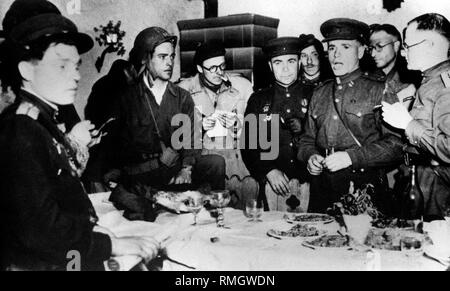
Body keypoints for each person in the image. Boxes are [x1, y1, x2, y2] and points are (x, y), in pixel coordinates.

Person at [0, 0, 160, 271]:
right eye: (62, 66)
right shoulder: (21, 130)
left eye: (76, 66)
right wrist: (110, 246)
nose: (75, 76)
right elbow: (40, 232)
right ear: (26, 70)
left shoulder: (40, 119)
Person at [112, 27, 225, 220]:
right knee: (138, 204)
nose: (170, 62)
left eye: (172, 57)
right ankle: (160, 204)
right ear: (145, 59)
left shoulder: (182, 96)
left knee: (214, 163)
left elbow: (192, 140)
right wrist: (156, 162)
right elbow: (119, 153)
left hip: (176, 171)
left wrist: (186, 169)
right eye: (162, 57)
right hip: (143, 174)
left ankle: (212, 214)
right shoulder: (127, 99)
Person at [297, 18, 404, 214]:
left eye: (345, 47)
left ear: (361, 51)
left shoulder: (379, 90)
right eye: (331, 48)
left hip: (363, 192)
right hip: (322, 192)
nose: (336, 54)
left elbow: (397, 146)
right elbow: (306, 140)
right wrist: (310, 156)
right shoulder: (320, 92)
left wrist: (351, 157)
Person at [382, 13, 450, 220]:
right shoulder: (431, 81)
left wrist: (407, 124)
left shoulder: (445, 86)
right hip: (419, 179)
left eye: (408, 46)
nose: (403, 53)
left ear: (429, 44)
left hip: (435, 187)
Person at [242, 37, 310, 212]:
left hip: (311, 184)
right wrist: (268, 171)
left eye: (291, 61)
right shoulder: (258, 100)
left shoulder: (315, 94)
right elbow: (249, 145)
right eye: (278, 62)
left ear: (300, 63)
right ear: (271, 66)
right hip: (272, 187)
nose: (285, 69)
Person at [178, 41, 253, 180]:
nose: (219, 72)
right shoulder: (183, 90)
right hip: (204, 165)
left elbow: (257, 131)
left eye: (222, 66)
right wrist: (199, 126)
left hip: (238, 165)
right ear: (200, 68)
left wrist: (238, 124)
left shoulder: (243, 87)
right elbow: (175, 136)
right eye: (212, 68)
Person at [82, 59, 134, 193]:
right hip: (106, 140)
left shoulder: (102, 83)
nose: (132, 76)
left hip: (101, 138)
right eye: (130, 72)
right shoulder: (118, 88)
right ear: (124, 71)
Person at [369, 24, 422, 110]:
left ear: (396, 46)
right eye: (371, 48)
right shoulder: (371, 77)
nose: (373, 54)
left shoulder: (409, 83)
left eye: (380, 47)